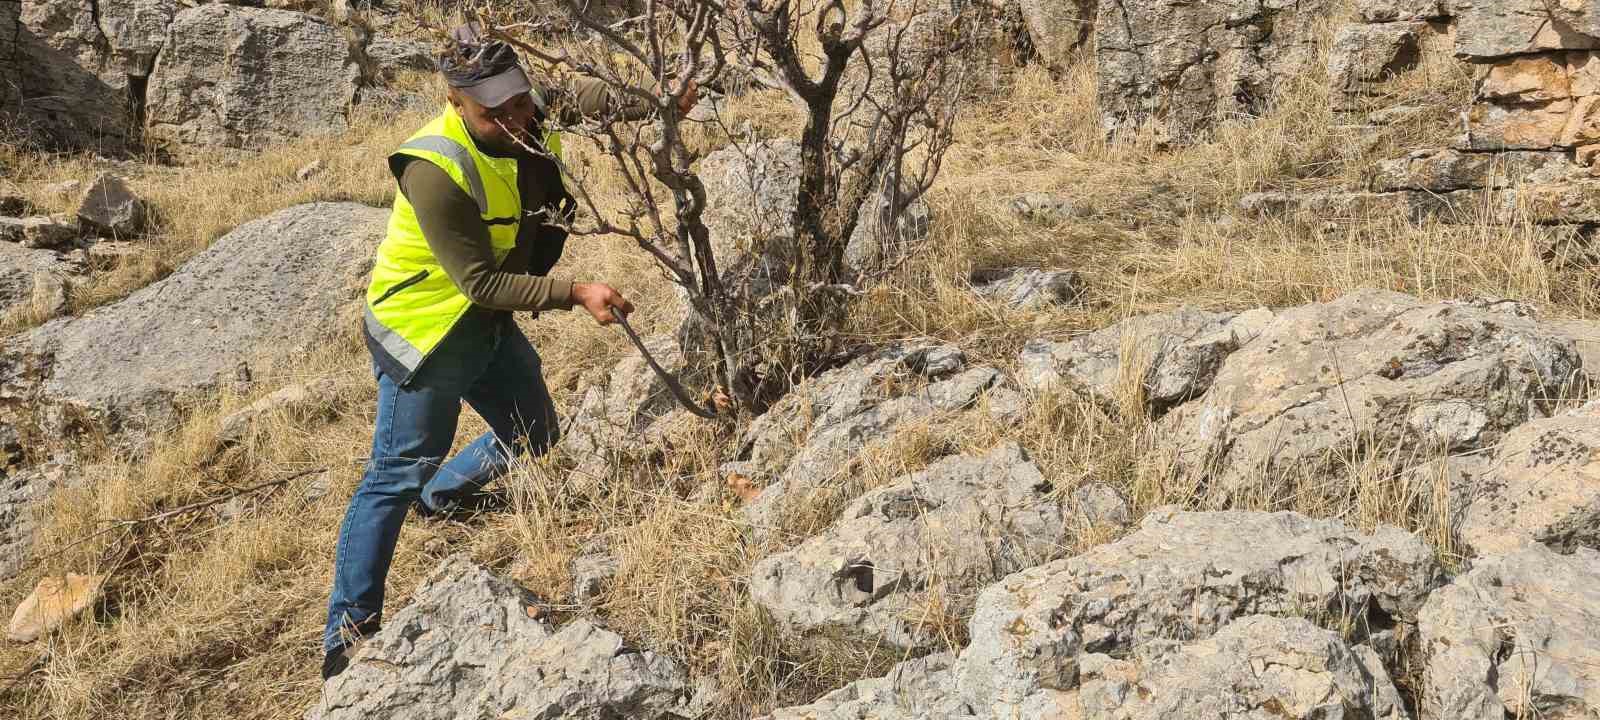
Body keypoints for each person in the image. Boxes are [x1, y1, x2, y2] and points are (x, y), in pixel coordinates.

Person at [321, 23, 689, 680]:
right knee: (394, 475)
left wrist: (661, 97)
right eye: (497, 111)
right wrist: (575, 291)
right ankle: (346, 637)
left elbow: (581, 99)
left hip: (483, 323)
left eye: (520, 100)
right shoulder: (433, 167)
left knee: (537, 433)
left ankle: (445, 498)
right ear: (456, 102)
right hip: (426, 329)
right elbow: (480, 283)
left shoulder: (522, 106)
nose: (518, 118)